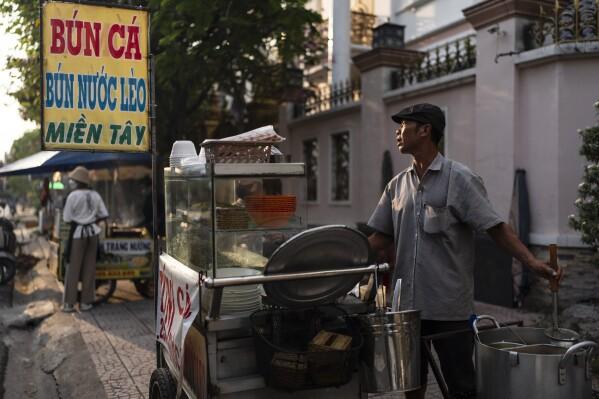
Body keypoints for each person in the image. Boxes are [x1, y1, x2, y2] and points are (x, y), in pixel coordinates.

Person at [367, 103, 562, 399]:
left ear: (424, 130)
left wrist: (531, 262)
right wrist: (337, 263)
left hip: (448, 306)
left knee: (462, 387)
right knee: (411, 384)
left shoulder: (459, 178)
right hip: (406, 305)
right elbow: (379, 238)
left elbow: (496, 227)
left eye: (404, 125)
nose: (398, 131)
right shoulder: (397, 186)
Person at [62, 166, 108, 312]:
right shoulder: (95, 195)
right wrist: (91, 220)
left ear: (77, 181)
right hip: (93, 233)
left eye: (73, 180)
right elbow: (104, 214)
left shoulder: (72, 196)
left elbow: (67, 218)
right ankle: (85, 303)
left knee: (73, 268)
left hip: (78, 234)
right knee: (89, 268)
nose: (72, 182)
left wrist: (80, 219)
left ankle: (69, 304)